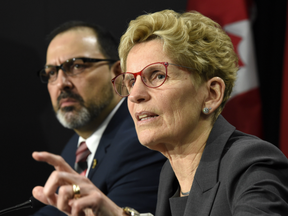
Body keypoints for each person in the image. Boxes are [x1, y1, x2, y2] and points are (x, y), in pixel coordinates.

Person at [32, 10, 288, 216]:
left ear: (211, 94)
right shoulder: (170, 175)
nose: (135, 95)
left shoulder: (252, 163)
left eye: (157, 75)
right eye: (131, 82)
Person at [33, 21, 166, 216]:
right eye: (52, 72)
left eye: (76, 66)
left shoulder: (141, 140)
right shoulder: (75, 148)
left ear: (118, 73)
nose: (61, 83)